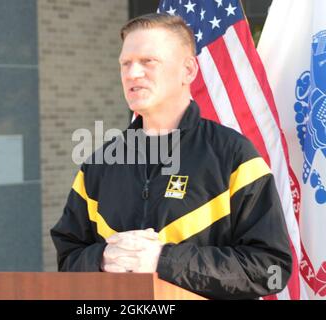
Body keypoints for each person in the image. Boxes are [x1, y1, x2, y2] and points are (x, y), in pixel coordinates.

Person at [50, 13, 292, 299]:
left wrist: (163, 261)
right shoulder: (99, 165)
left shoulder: (234, 157)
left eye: (148, 61)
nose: (132, 73)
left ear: (188, 70)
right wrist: (101, 259)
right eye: (125, 64)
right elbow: (67, 259)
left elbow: (270, 268)